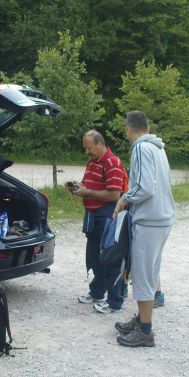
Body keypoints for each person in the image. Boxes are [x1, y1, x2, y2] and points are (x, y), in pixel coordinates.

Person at [113, 111, 175, 347]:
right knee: (149, 271)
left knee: (142, 274)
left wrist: (124, 198)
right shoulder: (158, 148)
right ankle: (141, 319)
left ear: (128, 129)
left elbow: (145, 187)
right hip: (162, 217)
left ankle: (145, 331)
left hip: (149, 220)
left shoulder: (140, 148)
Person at [69, 130, 128, 313]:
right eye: (86, 148)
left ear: (100, 144)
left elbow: (114, 194)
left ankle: (114, 301)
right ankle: (97, 292)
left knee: (109, 258)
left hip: (108, 214)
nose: (87, 151)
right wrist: (77, 187)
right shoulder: (92, 162)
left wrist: (88, 193)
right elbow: (89, 185)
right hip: (93, 215)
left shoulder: (112, 162)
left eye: (90, 148)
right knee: (94, 257)